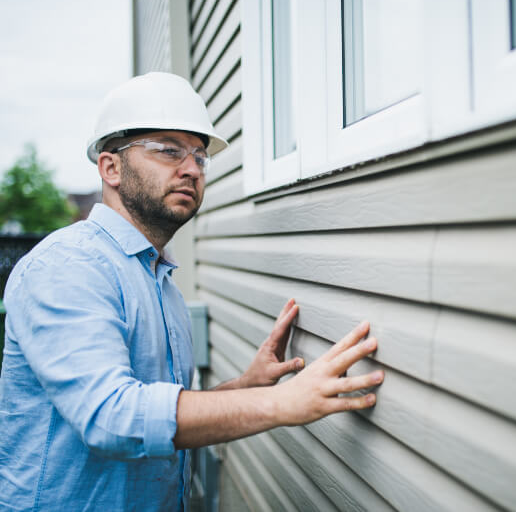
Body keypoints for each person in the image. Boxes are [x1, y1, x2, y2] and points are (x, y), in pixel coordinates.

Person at [0, 72, 384, 512]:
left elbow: (163, 413)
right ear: (110, 167)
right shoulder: (69, 267)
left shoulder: (159, 283)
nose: (191, 169)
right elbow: (116, 417)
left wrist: (246, 386)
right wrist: (279, 402)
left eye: (200, 157)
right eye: (168, 150)